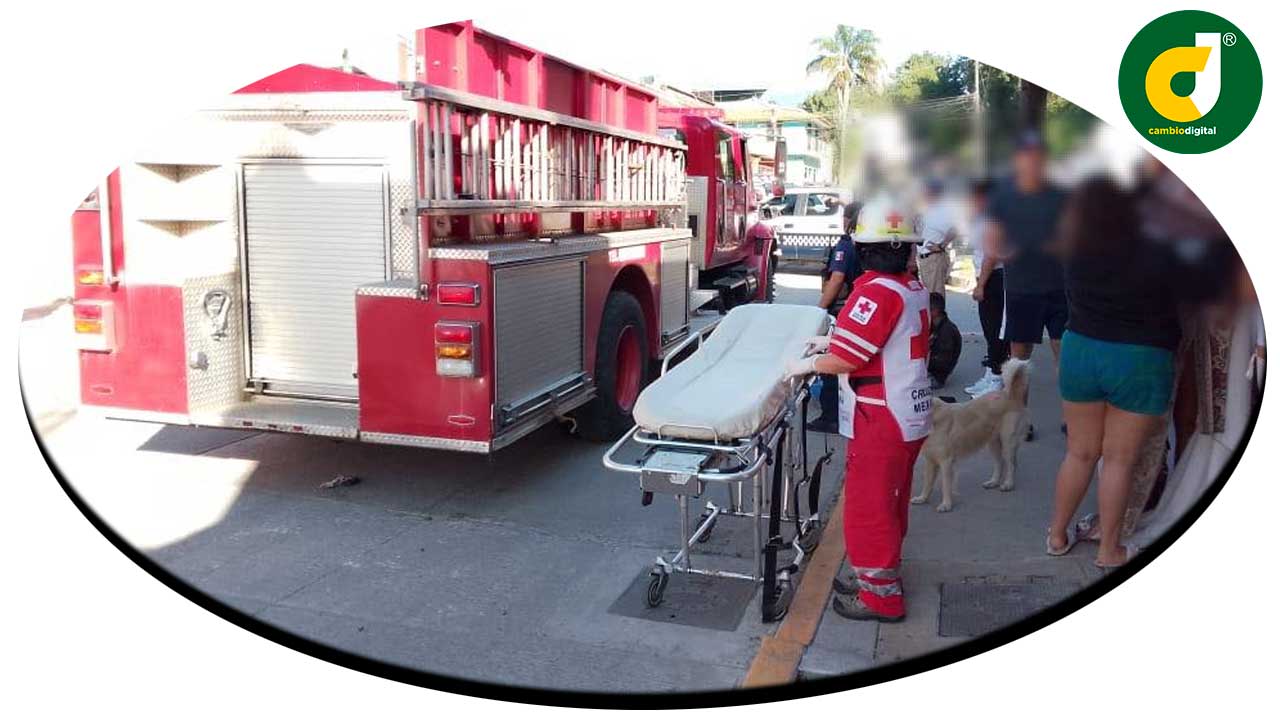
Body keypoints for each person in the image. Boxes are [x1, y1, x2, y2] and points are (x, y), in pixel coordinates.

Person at [785, 197, 931, 622]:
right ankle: (878, 575)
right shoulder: (910, 288)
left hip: (880, 416)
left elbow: (848, 360)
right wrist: (831, 341)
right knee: (891, 501)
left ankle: (881, 597)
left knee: (870, 507)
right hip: (906, 412)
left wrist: (809, 363)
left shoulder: (876, 291)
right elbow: (882, 340)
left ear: (863, 248)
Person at [1045, 177, 1188, 567]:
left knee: (1079, 452)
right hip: (1141, 355)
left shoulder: (1078, 235)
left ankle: (1057, 535)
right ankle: (1109, 550)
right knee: (1119, 460)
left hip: (1081, 347)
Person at [809, 202, 864, 433]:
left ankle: (831, 416)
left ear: (848, 220)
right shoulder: (866, 245)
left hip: (842, 310)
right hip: (858, 310)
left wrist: (819, 310)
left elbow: (837, 279)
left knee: (833, 362)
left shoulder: (846, 245)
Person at [965, 178, 1010, 397]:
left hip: (995, 278)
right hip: (989, 278)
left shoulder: (994, 219)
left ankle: (997, 378)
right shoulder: (984, 219)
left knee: (995, 331)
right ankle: (991, 373)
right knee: (990, 330)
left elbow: (991, 255)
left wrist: (981, 285)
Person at [915, 178, 958, 295]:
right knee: (928, 295)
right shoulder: (926, 209)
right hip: (924, 259)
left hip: (934, 258)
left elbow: (955, 228)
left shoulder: (942, 211)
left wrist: (941, 245)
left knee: (935, 296)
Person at [927, 292, 961, 389]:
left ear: (934, 311)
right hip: (934, 368)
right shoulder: (936, 325)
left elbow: (943, 361)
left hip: (937, 376)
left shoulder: (946, 331)